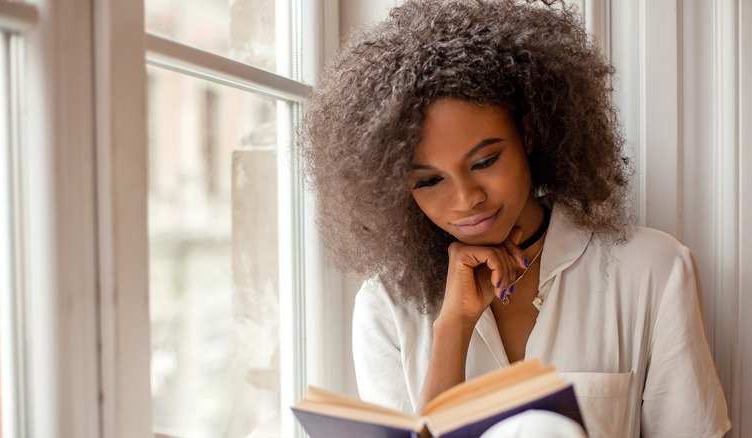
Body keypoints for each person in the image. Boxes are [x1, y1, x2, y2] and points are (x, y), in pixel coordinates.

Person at [299, 0, 731, 436]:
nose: (466, 199)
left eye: (485, 160)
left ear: (527, 133)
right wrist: (454, 325)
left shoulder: (649, 269)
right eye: (430, 181)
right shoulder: (387, 306)